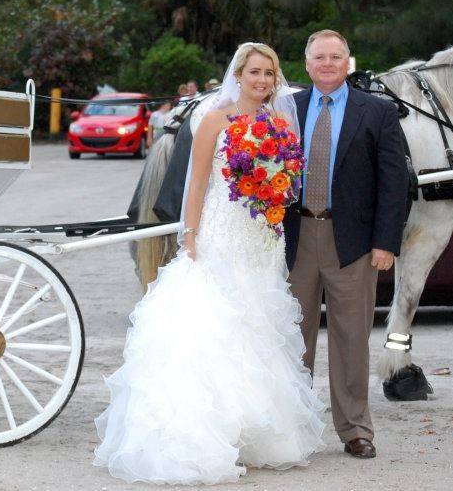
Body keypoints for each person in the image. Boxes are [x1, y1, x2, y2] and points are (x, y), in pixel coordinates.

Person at [95, 43, 325, 485]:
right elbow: (196, 184)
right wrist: (191, 235)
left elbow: (287, 182)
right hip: (219, 235)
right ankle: (204, 436)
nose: (262, 80)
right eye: (255, 72)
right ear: (238, 75)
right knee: (214, 327)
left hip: (262, 238)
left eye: (269, 74)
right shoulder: (213, 121)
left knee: (256, 328)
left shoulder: (278, 124)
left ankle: (251, 433)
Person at [283, 29, 407, 459]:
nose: (328, 64)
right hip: (294, 240)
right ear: (307, 63)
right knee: (291, 339)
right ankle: (291, 428)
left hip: (352, 243)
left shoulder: (377, 112)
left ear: (348, 62)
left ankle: (355, 429)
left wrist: (385, 242)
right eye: (320, 57)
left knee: (351, 339)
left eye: (336, 57)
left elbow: (394, 183)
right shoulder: (285, 109)